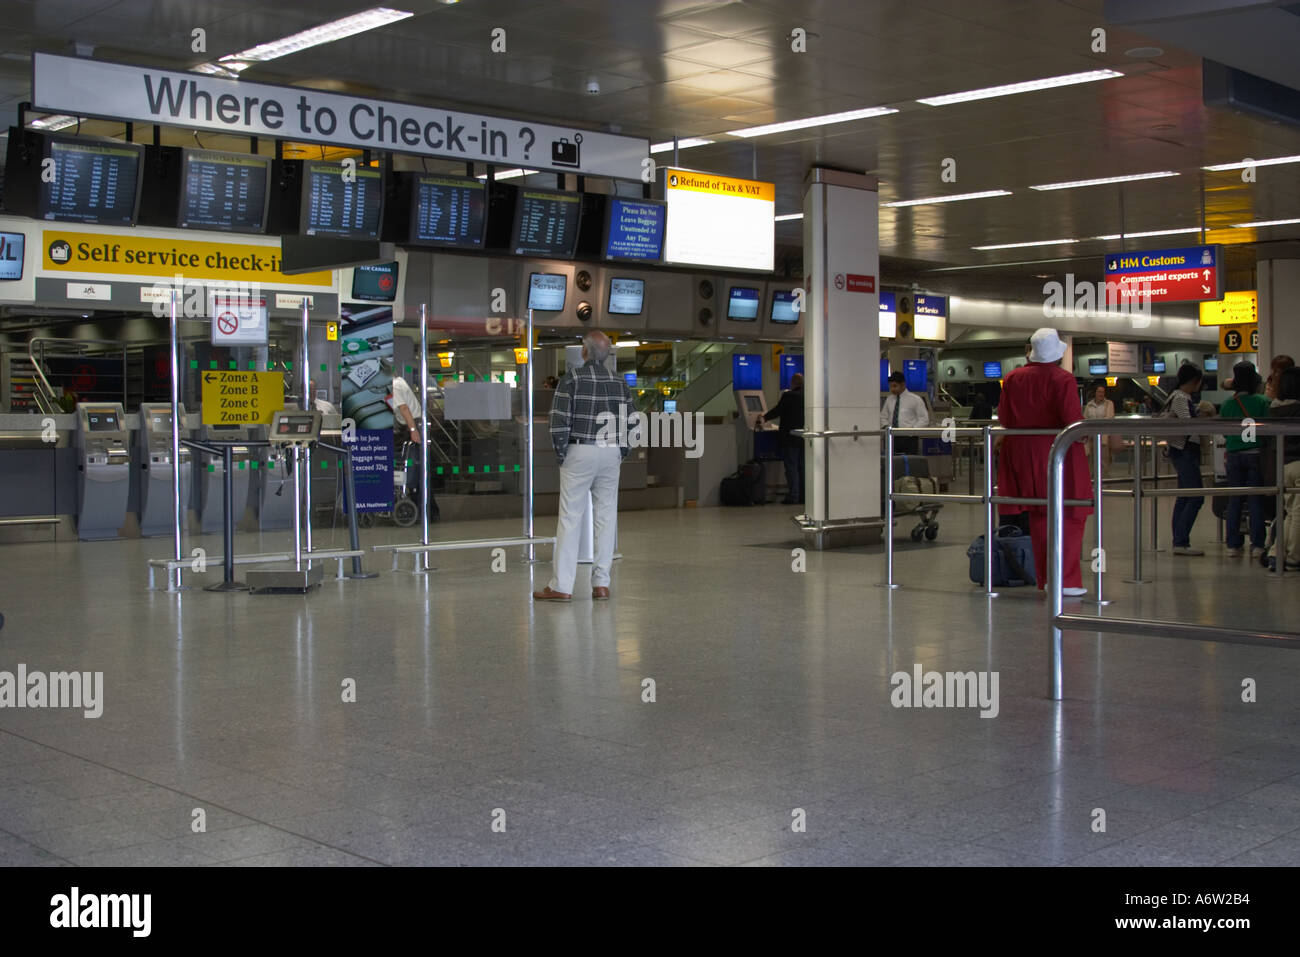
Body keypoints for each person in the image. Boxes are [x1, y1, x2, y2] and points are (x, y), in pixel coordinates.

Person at [534, 331, 633, 602]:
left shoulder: (572, 379)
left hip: (580, 449)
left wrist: (562, 453)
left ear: (584, 352)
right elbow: (631, 421)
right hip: (610, 451)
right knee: (606, 516)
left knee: (570, 518)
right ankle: (601, 584)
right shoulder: (619, 381)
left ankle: (562, 586)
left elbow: (559, 421)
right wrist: (620, 451)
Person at [995, 328, 1093, 596]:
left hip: (1023, 453)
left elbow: (1004, 416)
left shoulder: (1013, 378)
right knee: (1072, 511)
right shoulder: (1063, 379)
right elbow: (1072, 418)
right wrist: (1085, 435)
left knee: (1039, 514)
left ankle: (1046, 577)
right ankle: (1067, 581)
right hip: (1059, 450)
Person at [1220, 360, 1270, 558]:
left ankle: (1233, 544)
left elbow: (1224, 433)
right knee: (1255, 499)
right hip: (1255, 454)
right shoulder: (1262, 402)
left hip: (1233, 455)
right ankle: (1257, 544)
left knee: (1235, 500)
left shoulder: (1227, 405)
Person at [1161, 364, 1205, 556]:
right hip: (1184, 450)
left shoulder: (1177, 396)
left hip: (1180, 450)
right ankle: (1180, 540)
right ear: (1194, 381)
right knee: (1195, 496)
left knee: (1185, 495)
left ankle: (1180, 541)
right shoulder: (1180, 398)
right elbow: (1188, 424)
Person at [389, 374, 438, 520]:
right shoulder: (399, 381)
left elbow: (404, 408)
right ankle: (428, 511)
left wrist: (412, 430)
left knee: (416, 471)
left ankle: (427, 512)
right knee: (417, 470)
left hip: (413, 426)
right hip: (412, 425)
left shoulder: (394, 385)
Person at [1268, 367, 1300, 570]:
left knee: (1288, 513)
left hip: (1283, 465)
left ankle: (1275, 553)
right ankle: (1293, 557)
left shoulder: (1274, 408)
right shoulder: (1298, 409)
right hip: (1299, 463)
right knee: (1297, 514)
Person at [759, 373, 805, 505]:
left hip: (790, 438)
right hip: (803, 438)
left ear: (793, 383)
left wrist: (764, 418)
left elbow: (778, 410)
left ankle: (793, 496)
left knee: (791, 467)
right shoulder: (808, 396)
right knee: (802, 467)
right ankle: (803, 496)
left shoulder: (789, 396)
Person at [880, 371, 928, 455]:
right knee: (892, 464)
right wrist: (886, 427)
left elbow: (924, 419)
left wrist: (911, 431)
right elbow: (883, 416)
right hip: (892, 437)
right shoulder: (889, 399)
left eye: (895, 386)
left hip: (909, 439)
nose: (892, 389)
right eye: (890, 386)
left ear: (903, 385)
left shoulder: (915, 399)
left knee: (908, 465)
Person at [1083, 382, 1116, 476]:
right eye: (1099, 392)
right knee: (1090, 461)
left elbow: (1109, 418)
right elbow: (1084, 419)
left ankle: (1104, 483)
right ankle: (1091, 482)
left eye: (1103, 392)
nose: (1101, 394)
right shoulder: (1089, 405)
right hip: (1090, 437)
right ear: (1095, 393)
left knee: (1103, 461)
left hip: (1103, 437)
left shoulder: (1109, 404)